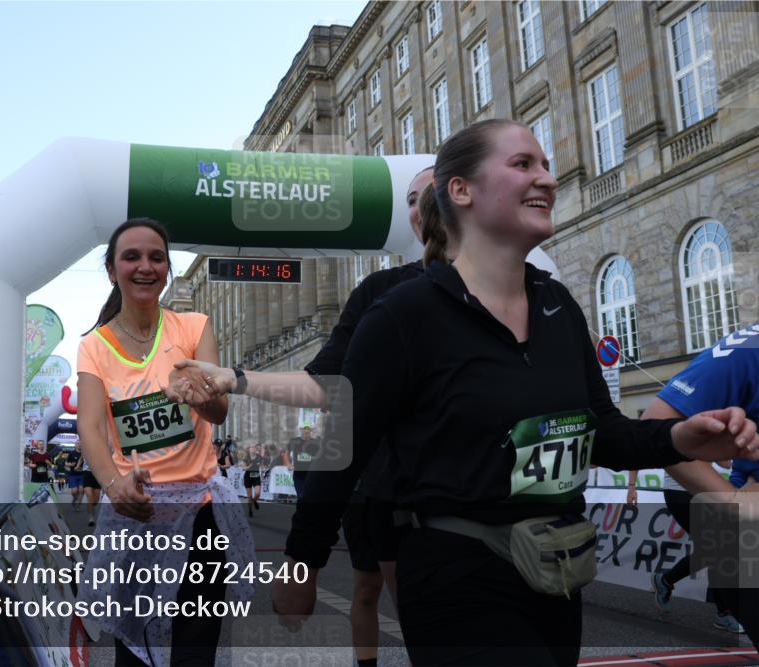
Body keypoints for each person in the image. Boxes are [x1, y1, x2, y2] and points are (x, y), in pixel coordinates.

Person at [267, 119, 759, 665]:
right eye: (523, 164)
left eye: (545, 165)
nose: (547, 178)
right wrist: (301, 564)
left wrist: (680, 438)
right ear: (461, 190)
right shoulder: (402, 316)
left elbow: (602, 433)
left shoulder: (559, 306)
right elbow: (341, 451)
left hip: (557, 570)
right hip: (456, 575)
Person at [168, 165, 440, 666]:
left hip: (517, 531)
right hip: (404, 507)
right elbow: (329, 408)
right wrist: (302, 563)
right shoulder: (385, 294)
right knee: (402, 612)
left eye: (431, 194)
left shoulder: (540, 295)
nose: (422, 208)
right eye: (412, 199)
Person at [75, 218, 255, 666]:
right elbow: (91, 428)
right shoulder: (94, 346)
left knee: (195, 647)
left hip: (200, 514)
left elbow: (219, 412)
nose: (145, 266)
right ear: (112, 270)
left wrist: (200, 395)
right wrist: (115, 485)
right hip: (136, 513)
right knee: (135, 653)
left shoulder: (194, 327)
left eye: (156, 258)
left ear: (167, 269)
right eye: (131, 257)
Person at [641, 322, 759, 641]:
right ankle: (715, 606)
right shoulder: (749, 347)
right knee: (712, 547)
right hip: (745, 533)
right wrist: (733, 503)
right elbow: (654, 423)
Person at [242, 443, 263, 517]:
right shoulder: (246, 457)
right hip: (248, 477)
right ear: (249, 449)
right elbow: (243, 468)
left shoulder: (259, 457)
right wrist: (249, 466)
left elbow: (261, 465)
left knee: (257, 493)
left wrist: (262, 469)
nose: (254, 448)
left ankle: (254, 501)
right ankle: (250, 510)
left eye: (254, 447)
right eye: (252, 447)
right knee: (249, 496)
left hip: (256, 476)